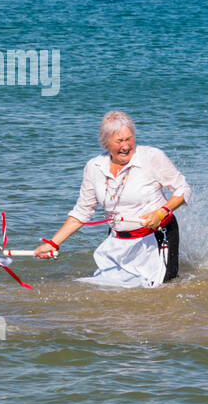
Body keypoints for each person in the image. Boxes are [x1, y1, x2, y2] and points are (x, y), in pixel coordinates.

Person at [34, 112, 189, 287]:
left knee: (162, 291)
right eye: (119, 141)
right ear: (105, 143)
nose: (125, 146)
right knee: (112, 295)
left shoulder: (151, 157)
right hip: (118, 240)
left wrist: (161, 212)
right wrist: (53, 243)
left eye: (129, 139)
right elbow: (82, 212)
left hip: (158, 236)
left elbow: (183, 189)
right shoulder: (94, 167)